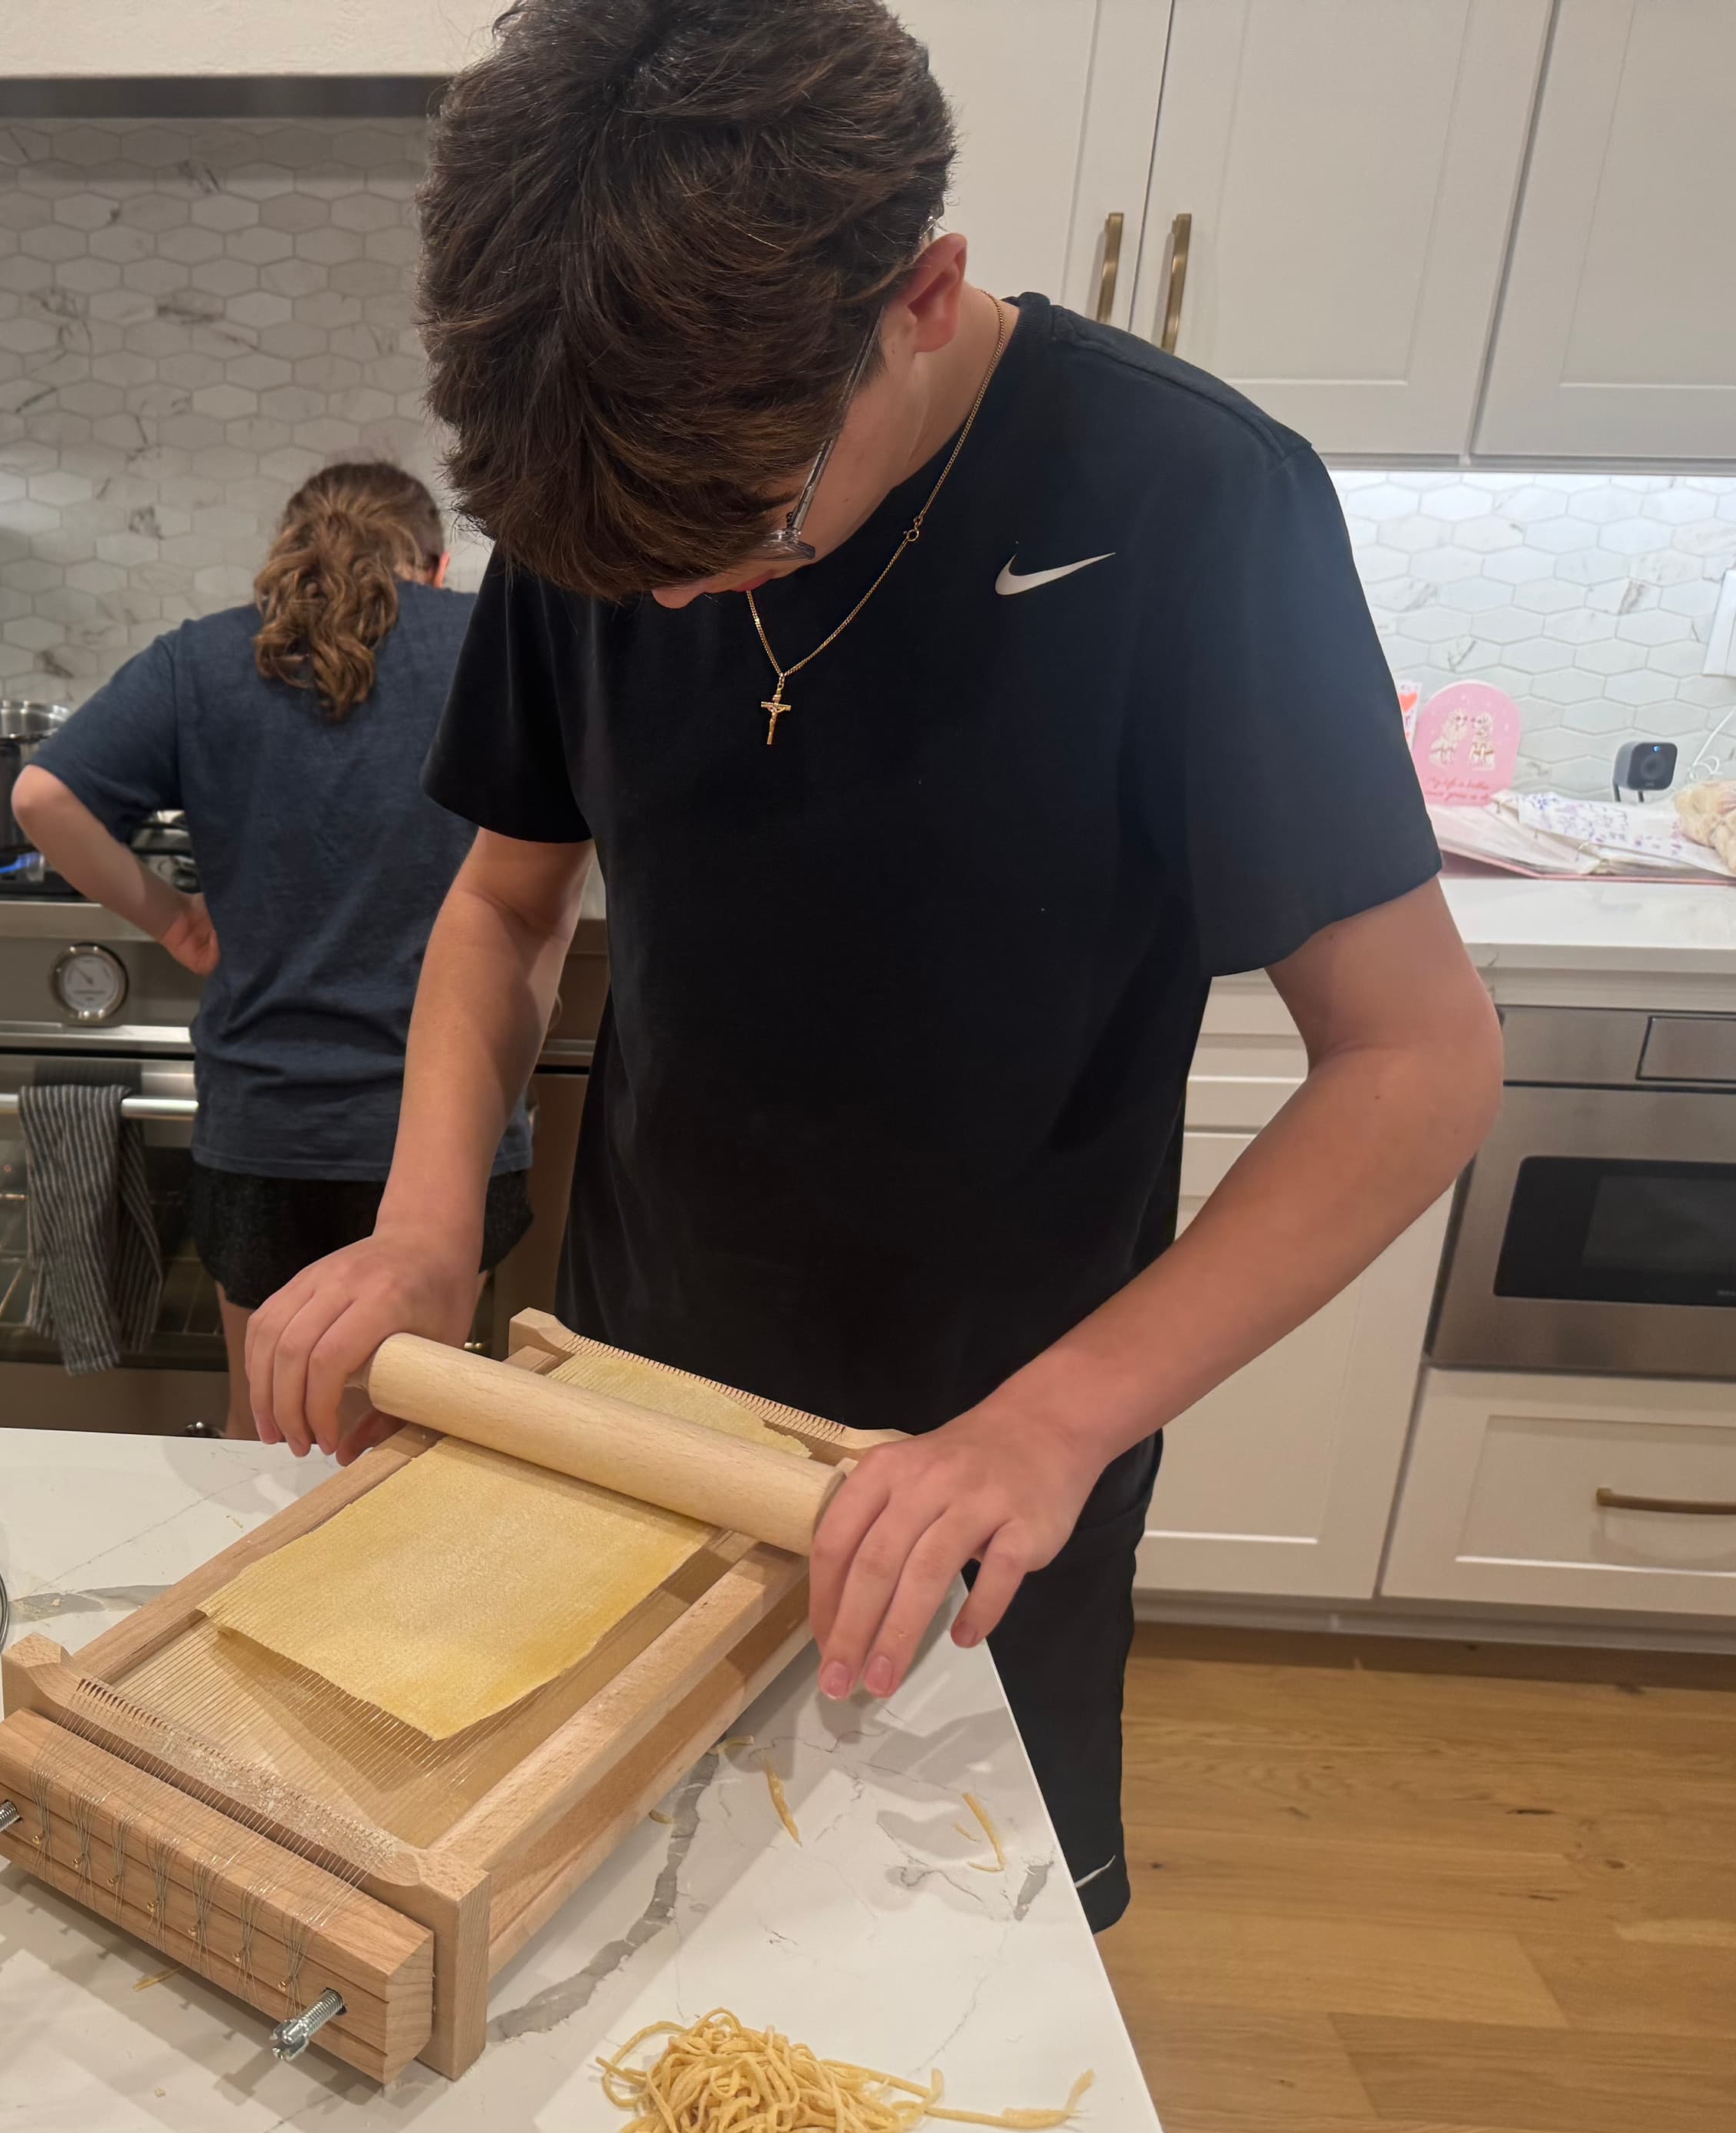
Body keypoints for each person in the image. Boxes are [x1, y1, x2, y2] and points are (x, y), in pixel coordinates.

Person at [244, 0, 1504, 1929]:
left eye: (744, 533)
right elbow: (504, 905)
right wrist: (427, 1234)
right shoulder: (613, 491)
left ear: (921, 296)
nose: (676, 593)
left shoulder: (1191, 503)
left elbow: (1415, 1060)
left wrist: (1050, 1427)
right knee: (604, 1932)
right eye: (626, 571)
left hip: (988, 1456)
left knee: (941, 1972)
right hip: (623, 1406)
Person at [12, 461, 533, 1439]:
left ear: (285, 560)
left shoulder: (203, 659)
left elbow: (42, 797)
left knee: (271, 1432)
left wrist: (172, 917)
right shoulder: (487, 640)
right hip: (449, 1137)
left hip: (264, 1130)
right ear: (435, 566)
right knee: (414, 1440)